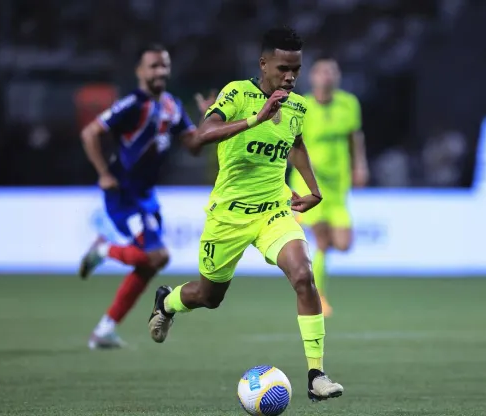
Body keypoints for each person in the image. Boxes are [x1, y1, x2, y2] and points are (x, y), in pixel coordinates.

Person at [147, 26, 344, 402]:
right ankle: (167, 302)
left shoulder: (297, 106)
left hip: (274, 210)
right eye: (283, 67)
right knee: (208, 296)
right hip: (229, 216)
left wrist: (312, 188)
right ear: (264, 63)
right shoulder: (237, 93)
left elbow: (296, 144)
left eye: (296, 69)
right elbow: (204, 133)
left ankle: (316, 376)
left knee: (304, 275)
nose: (290, 76)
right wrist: (257, 118)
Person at [78, 44, 206, 349]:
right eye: (153, 66)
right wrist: (103, 173)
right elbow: (90, 133)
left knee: (149, 265)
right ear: (140, 71)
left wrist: (209, 119)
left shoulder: (173, 106)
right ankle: (104, 249)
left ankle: (104, 330)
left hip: (147, 197)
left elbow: (194, 146)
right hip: (123, 194)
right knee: (157, 256)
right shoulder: (133, 104)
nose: (160, 71)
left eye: (164, 66)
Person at [288, 58, 369, 316]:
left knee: (344, 243)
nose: (328, 76)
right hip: (309, 187)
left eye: (332, 72)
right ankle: (318, 297)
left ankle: (308, 262)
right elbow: (291, 146)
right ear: (312, 77)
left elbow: (354, 137)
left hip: (337, 188)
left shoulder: (349, 104)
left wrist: (360, 166)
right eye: (323, 72)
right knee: (323, 241)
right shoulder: (302, 107)